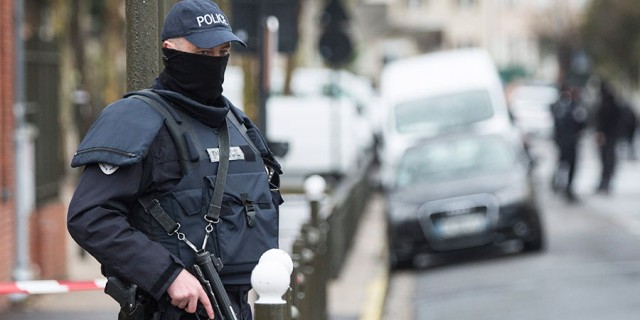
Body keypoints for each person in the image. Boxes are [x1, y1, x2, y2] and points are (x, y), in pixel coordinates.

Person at [67, 1, 283, 319]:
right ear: (169, 49)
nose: (215, 61)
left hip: (235, 306)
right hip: (169, 309)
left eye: (222, 52)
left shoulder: (236, 123)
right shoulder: (135, 121)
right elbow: (90, 217)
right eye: (203, 52)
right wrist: (167, 275)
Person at [550, 84, 588, 202]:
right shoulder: (567, 107)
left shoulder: (567, 106)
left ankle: (564, 186)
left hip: (568, 141)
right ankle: (561, 185)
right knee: (565, 164)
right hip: (567, 141)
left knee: (566, 165)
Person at [594, 79, 622, 194]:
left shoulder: (607, 103)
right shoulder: (610, 102)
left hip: (608, 136)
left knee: (607, 159)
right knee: (606, 159)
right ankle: (604, 181)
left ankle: (605, 182)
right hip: (610, 136)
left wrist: (602, 133)